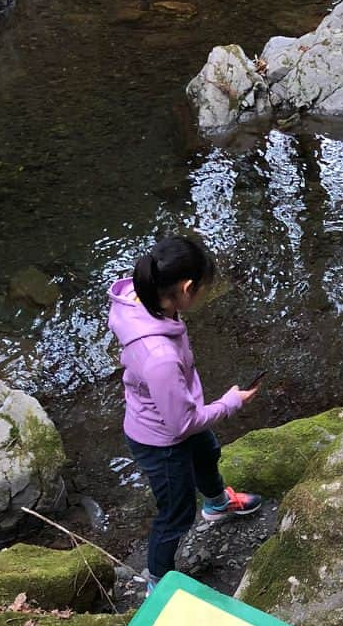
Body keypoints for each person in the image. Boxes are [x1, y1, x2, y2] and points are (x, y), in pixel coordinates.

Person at [108, 234, 263, 590]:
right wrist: (231, 402)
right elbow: (182, 425)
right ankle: (157, 583)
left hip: (173, 413)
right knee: (175, 515)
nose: (207, 294)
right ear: (187, 287)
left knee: (207, 452)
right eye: (205, 288)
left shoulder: (145, 298)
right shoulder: (158, 356)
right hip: (162, 440)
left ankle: (218, 504)